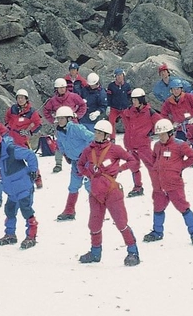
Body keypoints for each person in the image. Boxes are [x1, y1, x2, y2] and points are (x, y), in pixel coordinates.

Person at [76, 120, 141, 266]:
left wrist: (120, 169)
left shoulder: (115, 149)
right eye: (96, 132)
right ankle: (95, 252)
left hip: (112, 192)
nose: (96, 135)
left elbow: (132, 160)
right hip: (95, 192)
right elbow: (80, 164)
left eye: (99, 133)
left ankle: (133, 251)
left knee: (121, 222)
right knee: (94, 223)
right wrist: (89, 174)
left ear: (106, 135)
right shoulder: (89, 150)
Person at [143, 119, 193, 244]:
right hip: (159, 185)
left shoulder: (180, 145)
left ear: (170, 133)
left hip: (174, 184)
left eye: (163, 134)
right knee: (158, 208)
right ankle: (157, 232)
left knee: (183, 208)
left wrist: (180, 166)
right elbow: (154, 157)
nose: (161, 137)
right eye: (159, 135)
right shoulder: (157, 145)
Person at [0, 130, 39, 249]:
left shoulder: (12, 150)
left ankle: (31, 235)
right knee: (10, 210)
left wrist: (33, 171)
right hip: (11, 190)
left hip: (23, 187)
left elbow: (30, 155)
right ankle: (10, 234)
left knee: (26, 211)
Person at [54, 106, 94, 221]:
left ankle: (97, 209)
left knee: (89, 186)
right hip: (75, 163)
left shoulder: (77, 128)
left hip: (86, 162)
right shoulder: (60, 132)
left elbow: (91, 138)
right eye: (58, 118)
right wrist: (65, 154)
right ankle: (69, 210)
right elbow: (60, 144)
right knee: (73, 186)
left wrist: (87, 154)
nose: (60, 121)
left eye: (62, 118)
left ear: (69, 119)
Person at [121, 87, 160, 198]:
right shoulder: (129, 111)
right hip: (130, 144)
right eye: (132, 100)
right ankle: (137, 187)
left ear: (141, 100)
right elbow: (124, 118)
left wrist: (151, 132)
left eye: (136, 100)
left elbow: (160, 122)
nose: (133, 102)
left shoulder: (150, 112)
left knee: (152, 166)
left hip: (143, 145)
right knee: (134, 166)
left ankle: (159, 187)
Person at [43, 77, 87, 173]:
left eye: (63, 87)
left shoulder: (73, 96)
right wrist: (52, 120)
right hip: (60, 126)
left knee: (77, 141)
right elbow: (46, 110)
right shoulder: (53, 101)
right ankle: (58, 163)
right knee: (60, 143)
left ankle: (81, 159)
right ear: (56, 89)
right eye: (60, 88)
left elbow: (83, 105)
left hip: (73, 124)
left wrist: (77, 115)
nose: (62, 89)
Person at [5, 89, 43, 189]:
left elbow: (38, 124)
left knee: (30, 158)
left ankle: (37, 178)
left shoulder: (32, 111)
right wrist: (9, 127)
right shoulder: (12, 109)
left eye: (22, 98)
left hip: (23, 140)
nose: (20, 99)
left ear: (26, 99)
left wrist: (29, 132)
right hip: (11, 139)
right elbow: (7, 118)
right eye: (18, 97)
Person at [106, 68, 132, 139]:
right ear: (115, 77)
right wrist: (108, 106)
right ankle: (112, 138)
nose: (119, 77)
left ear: (123, 75)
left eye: (120, 75)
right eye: (117, 75)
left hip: (124, 108)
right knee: (111, 123)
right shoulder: (111, 86)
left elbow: (130, 97)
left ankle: (129, 137)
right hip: (114, 108)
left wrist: (130, 106)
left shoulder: (127, 86)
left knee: (128, 123)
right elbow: (109, 97)